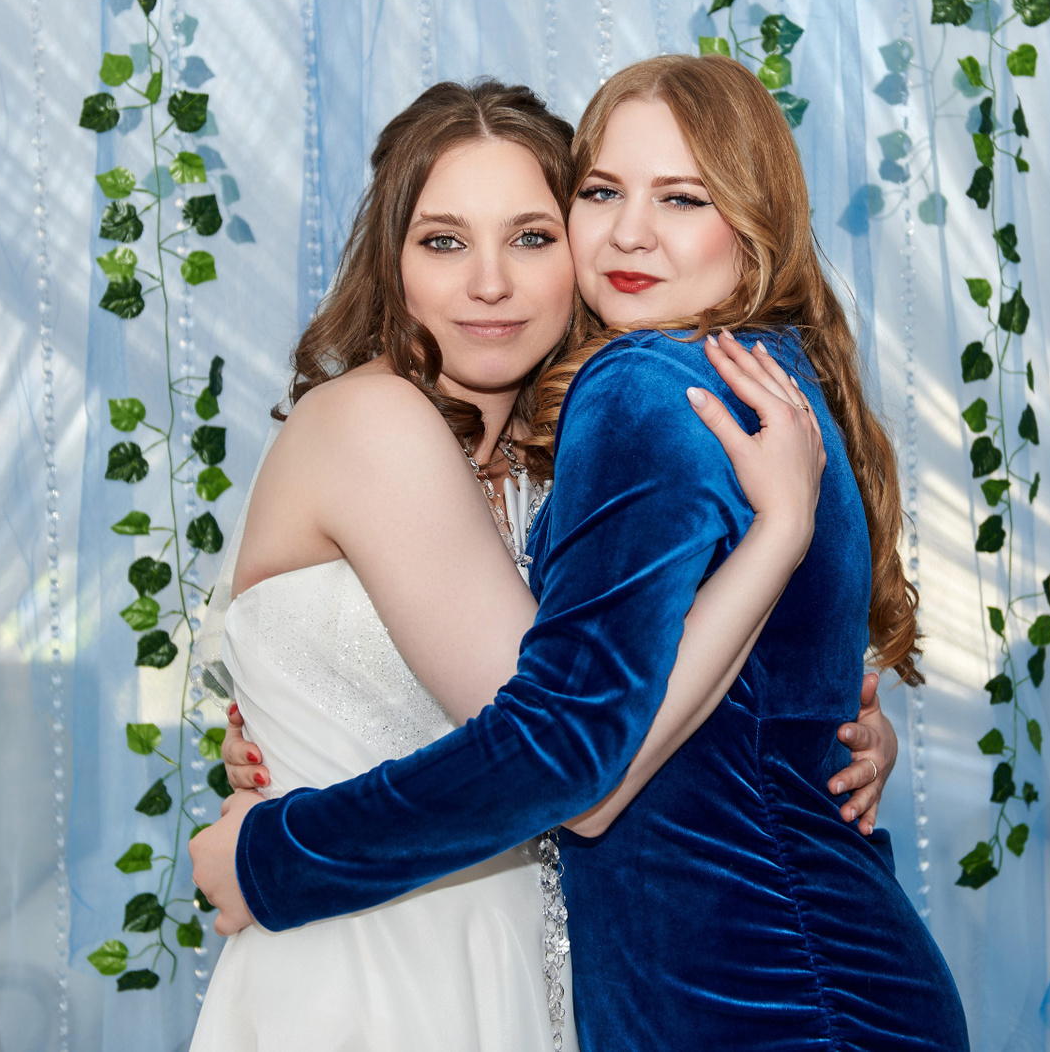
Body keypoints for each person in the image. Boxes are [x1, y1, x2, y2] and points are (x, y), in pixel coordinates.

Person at [195, 55, 968, 1050]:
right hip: (381, 974)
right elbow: (573, 755)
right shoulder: (379, 422)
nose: (490, 283)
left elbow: (599, 731)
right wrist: (271, 842)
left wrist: (812, 727)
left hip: (548, 967)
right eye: (443, 241)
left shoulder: (580, 446)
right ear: (391, 260)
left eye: (532, 236)